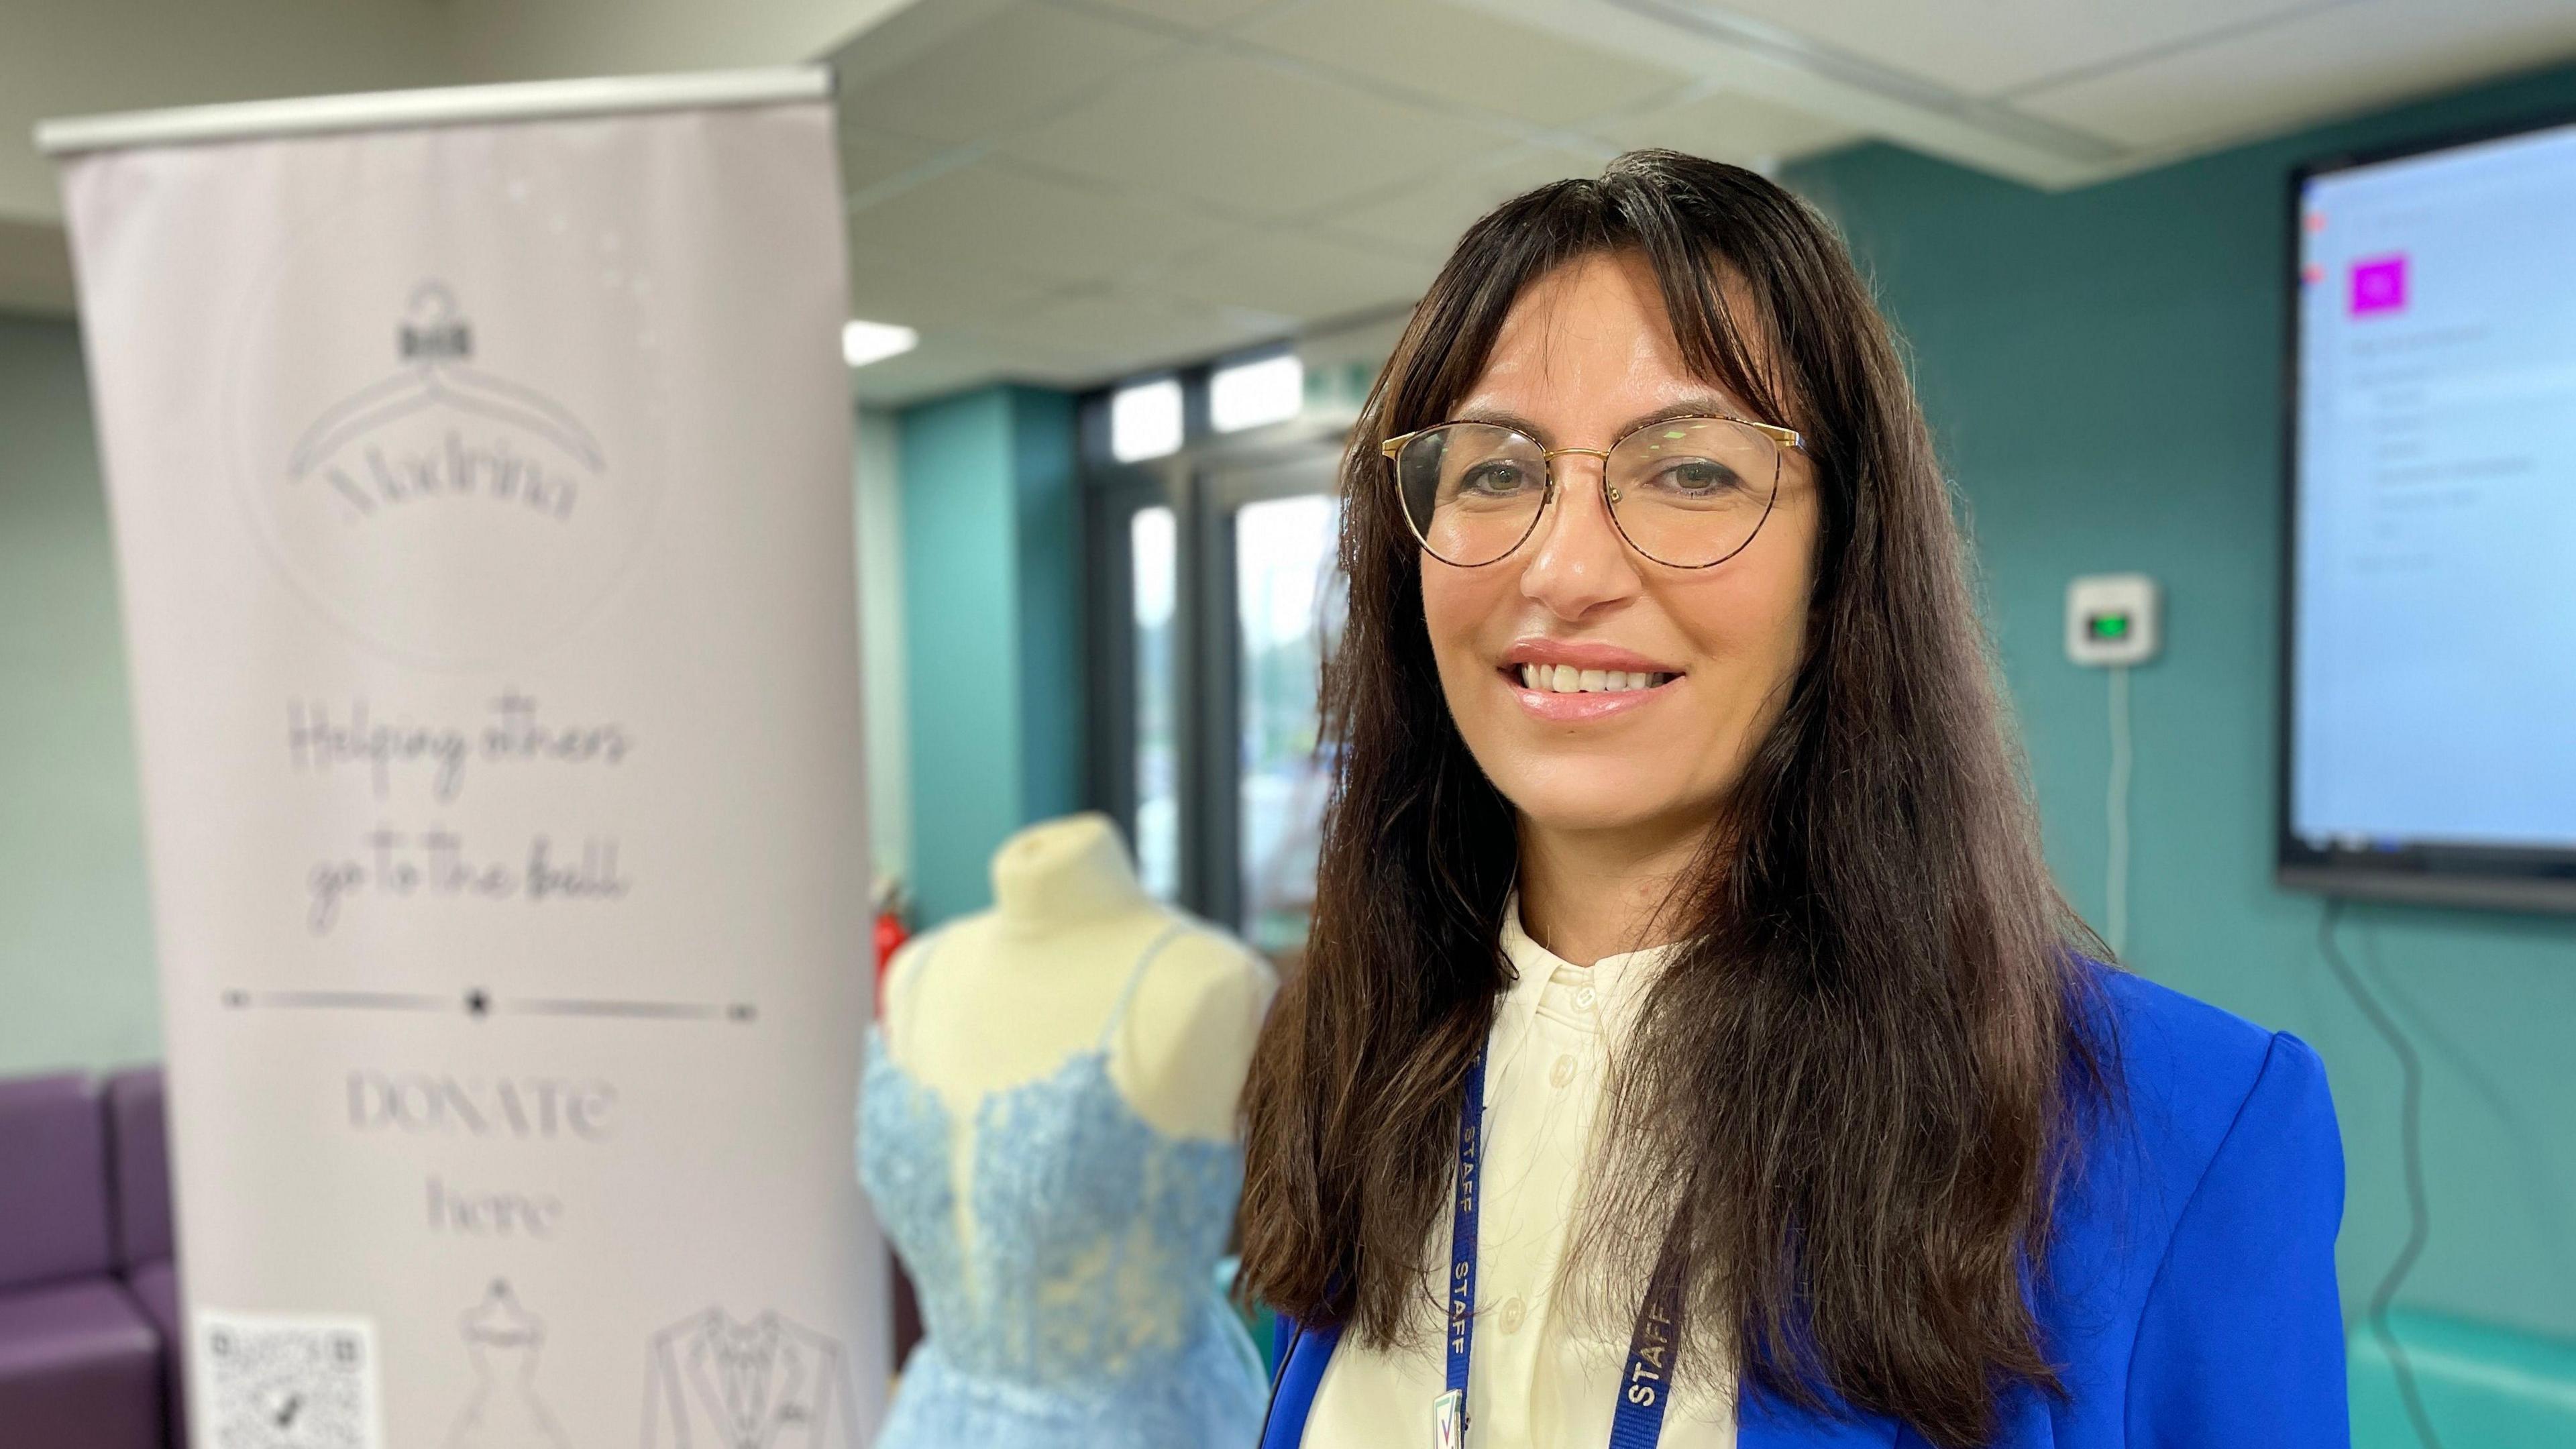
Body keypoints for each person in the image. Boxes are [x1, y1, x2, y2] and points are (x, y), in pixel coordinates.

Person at [1239, 150, 2346, 1449]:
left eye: (1692, 469)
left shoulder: (2177, 1136)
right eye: (1493, 469)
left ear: (1842, 564)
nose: (1565, 567)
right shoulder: (1351, 1062)